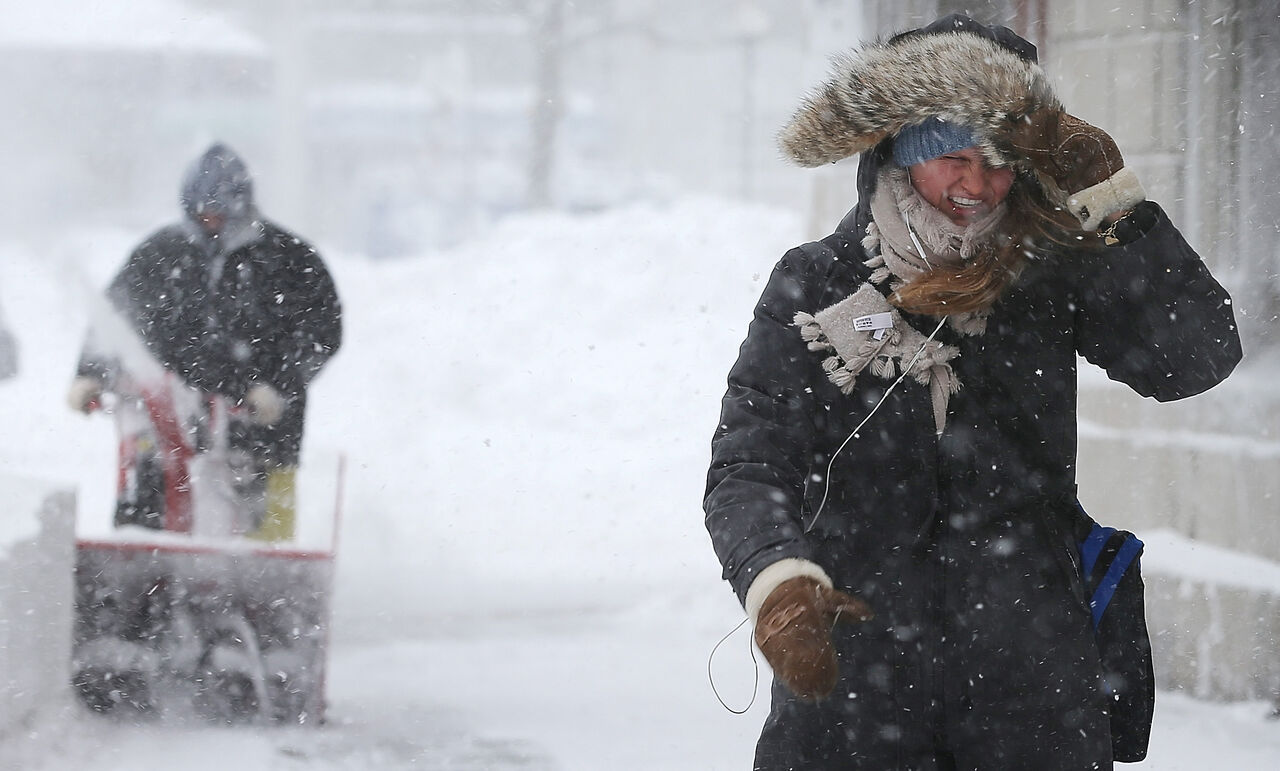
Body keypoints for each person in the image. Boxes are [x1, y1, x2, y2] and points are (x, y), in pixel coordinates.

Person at [703, 15, 1241, 770]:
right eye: (952, 157)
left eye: (997, 162)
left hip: (1031, 694)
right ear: (898, 151)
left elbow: (1195, 357)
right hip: (857, 692)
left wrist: (1112, 199)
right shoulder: (818, 279)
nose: (977, 185)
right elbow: (750, 463)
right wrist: (777, 580)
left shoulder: (1050, 272)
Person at [67, 142, 342, 540]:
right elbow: (115, 319)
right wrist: (91, 373)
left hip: (264, 435)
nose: (210, 222)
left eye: (219, 212)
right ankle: (145, 583)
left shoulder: (289, 260)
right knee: (149, 523)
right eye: (201, 213)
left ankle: (261, 591)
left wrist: (278, 388)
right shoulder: (160, 254)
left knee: (263, 543)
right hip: (169, 426)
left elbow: (322, 334)